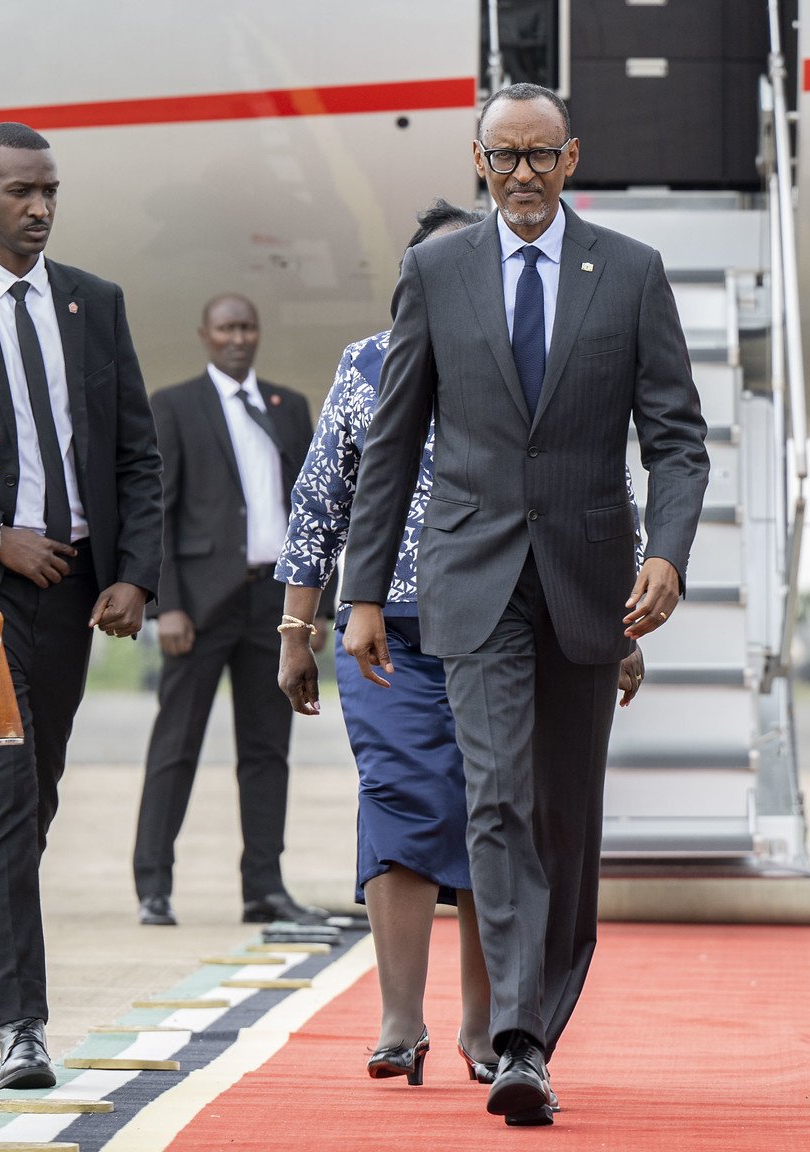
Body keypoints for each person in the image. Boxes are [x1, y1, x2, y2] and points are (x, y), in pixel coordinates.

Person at [340, 83, 708, 1127]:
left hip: (588, 581)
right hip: (472, 578)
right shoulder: (435, 271)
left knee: (562, 819)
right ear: (477, 162)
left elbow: (676, 439)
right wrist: (362, 591)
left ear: (571, 158)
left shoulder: (629, 275)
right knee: (494, 796)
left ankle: (536, 1020)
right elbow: (393, 441)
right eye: (503, 158)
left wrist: (668, 555)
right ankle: (515, 1041)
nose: (522, 176)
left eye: (540, 156)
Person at [277, 198, 649, 1088]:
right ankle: (401, 1021)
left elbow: (600, 485)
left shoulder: (545, 359)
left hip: (516, 614)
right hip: (392, 624)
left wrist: (613, 618)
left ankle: (490, 1028)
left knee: (504, 804)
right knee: (405, 799)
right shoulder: (367, 365)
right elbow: (323, 497)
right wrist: (300, 622)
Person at [0, 120, 162, 1092]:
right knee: (4, 800)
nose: (39, 209)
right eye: (21, 191)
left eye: (50, 191)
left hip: (72, 597)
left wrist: (135, 574)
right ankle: (19, 1024)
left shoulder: (91, 305)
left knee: (34, 806)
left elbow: (135, 453)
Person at [132, 292, 325, 928]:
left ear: (258, 332)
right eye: (225, 329)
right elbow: (158, 509)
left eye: (247, 326)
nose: (237, 338)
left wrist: (311, 607)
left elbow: (316, 513)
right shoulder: (177, 405)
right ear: (205, 336)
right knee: (175, 743)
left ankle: (263, 886)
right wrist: (168, 608)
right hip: (203, 601)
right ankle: (153, 884)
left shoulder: (288, 407)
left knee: (268, 749)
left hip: (274, 602)